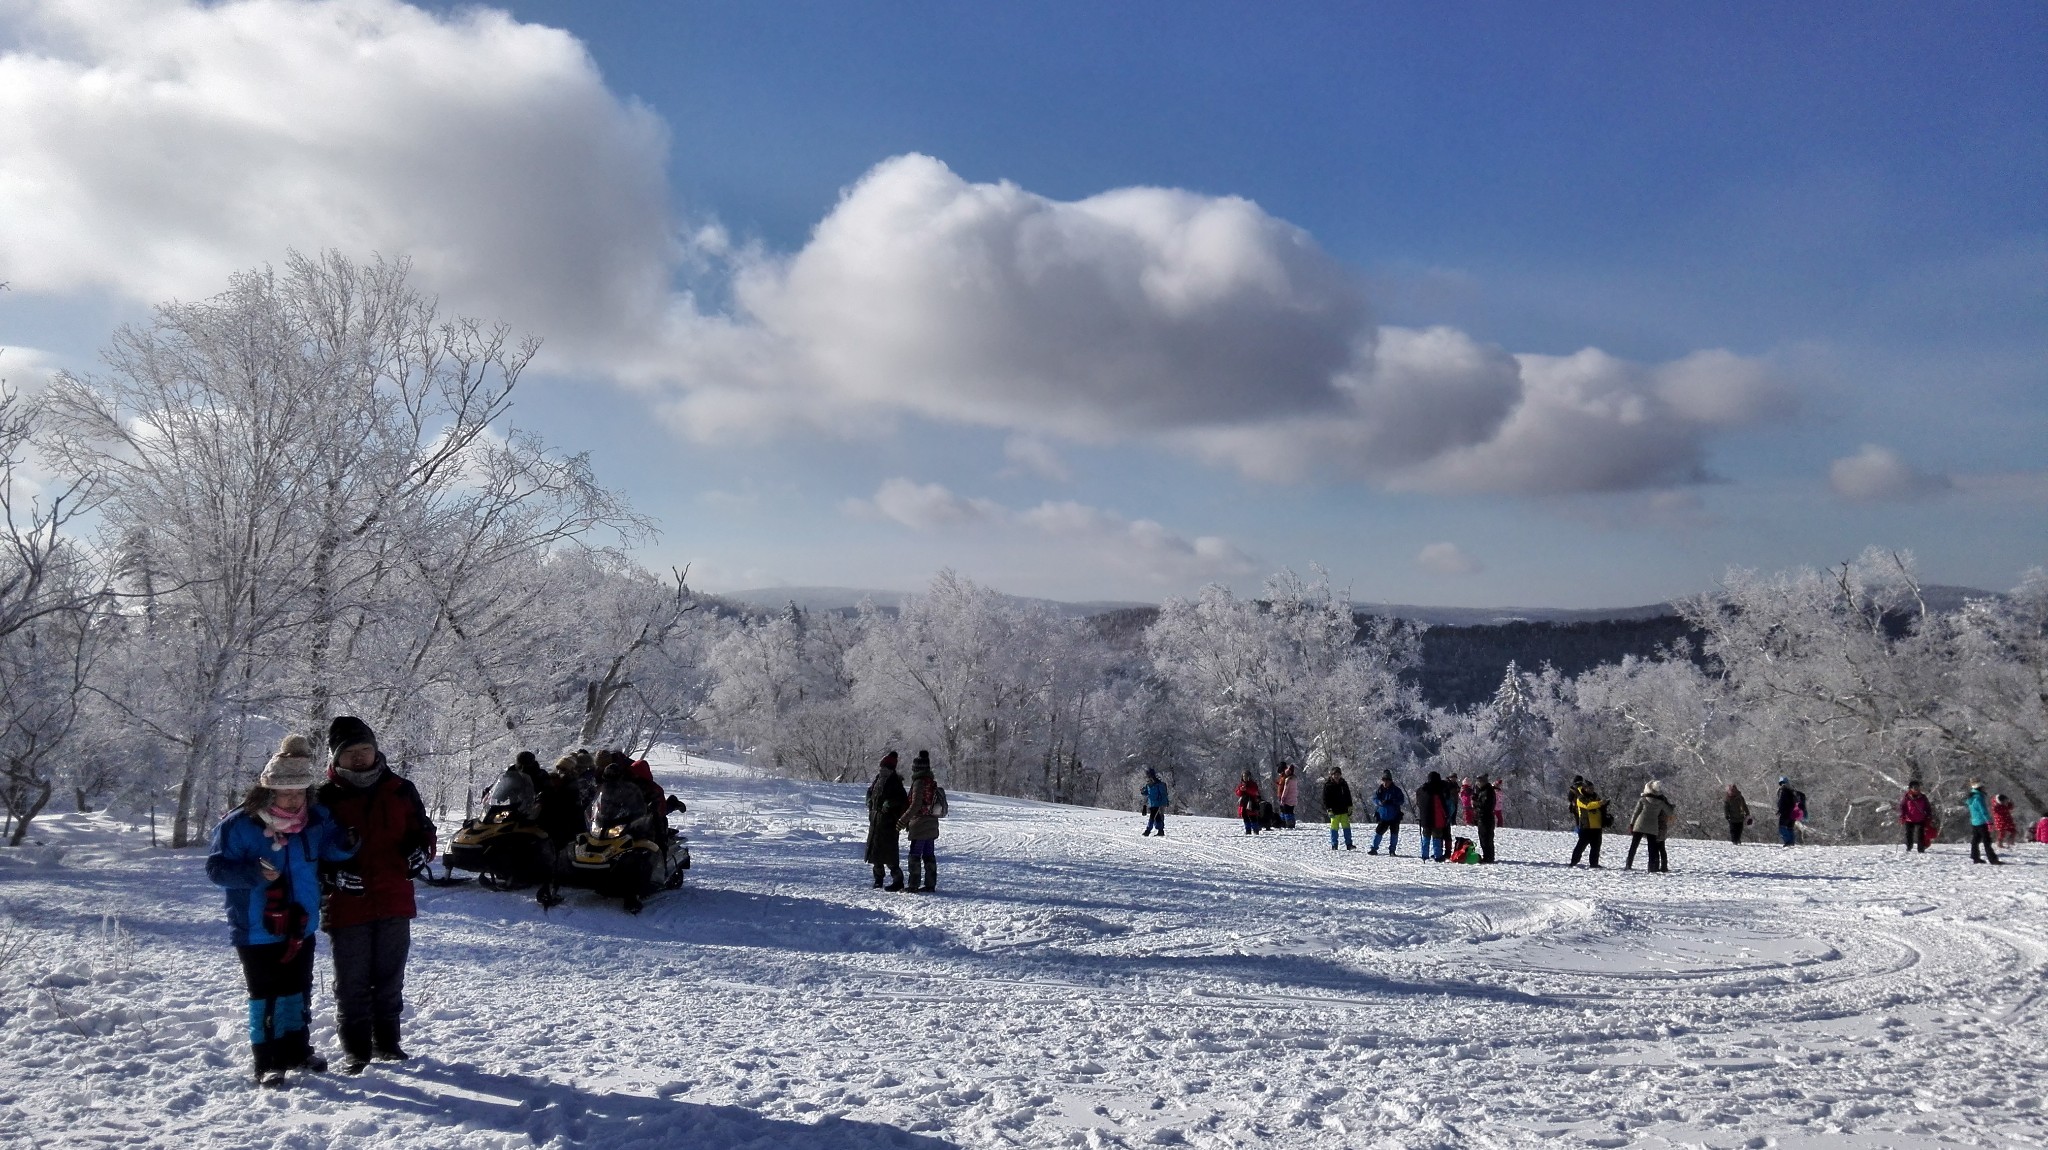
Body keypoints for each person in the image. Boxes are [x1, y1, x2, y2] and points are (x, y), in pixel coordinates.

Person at [207, 735, 357, 1088]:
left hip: (300, 923)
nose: (293, 799)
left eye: (300, 792)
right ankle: (267, 1061)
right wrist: (253, 874)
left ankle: (295, 1050)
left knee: (297, 989)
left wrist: (348, 845)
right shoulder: (238, 824)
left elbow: (331, 851)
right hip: (256, 926)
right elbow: (216, 870)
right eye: (285, 792)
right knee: (265, 993)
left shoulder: (316, 819)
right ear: (268, 791)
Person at [316, 716, 436, 1074]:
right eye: (350, 752)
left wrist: (421, 852)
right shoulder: (323, 798)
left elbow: (424, 831)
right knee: (352, 981)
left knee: (389, 977)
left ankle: (387, 1042)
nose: (359, 758)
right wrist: (333, 877)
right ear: (336, 757)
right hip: (346, 904)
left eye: (365, 749)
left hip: (394, 898)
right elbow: (310, 852)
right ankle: (356, 1048)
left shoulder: (401, 789)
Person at [899, 751, 943, 892]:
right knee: (929, 854)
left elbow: (915, 805)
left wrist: (902, 820)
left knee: (915, 854)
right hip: (932, 823)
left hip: (920, 823)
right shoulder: (932, 782)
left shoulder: (919, 782)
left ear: (917, 768)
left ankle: (913, 885)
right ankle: (930, 884)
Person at [865, 751, 908, 888]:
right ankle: (878, 879)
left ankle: (898, 880)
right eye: (881, 767)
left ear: (890, 768)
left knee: (889, 854)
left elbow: (902, 799)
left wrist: (889, 803)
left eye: (884, 767)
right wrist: (869, 801)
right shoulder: (878, 779)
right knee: (875, 853)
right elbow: (870, 792)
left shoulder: (895, 781)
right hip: (876, 820)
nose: (881, 769)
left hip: (889, 822)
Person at [1625, 780, 1674, 872]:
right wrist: (1669, 805)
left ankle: (1628, 864)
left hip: (1640, 824)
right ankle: (1652, 867)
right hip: (1653, 826)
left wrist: (1632, 824)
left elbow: (1636, 813)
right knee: (1652, 849)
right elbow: (1670, 812)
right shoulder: (1661, 802)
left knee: (1634, 846)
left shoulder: (1643, 800)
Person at [1415, 771, 1455, 861]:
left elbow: (1418, 803)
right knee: (1437, 837)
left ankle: (1424, 855)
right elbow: (1445, 805)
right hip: (1437, 818)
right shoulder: (1439, 790)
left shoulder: (1422, 790)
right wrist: (1447, 815)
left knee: (1426, 837)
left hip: (1425, 818)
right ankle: (1438, 856)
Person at [1569, 777, 1607, 868]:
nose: (1591, 790)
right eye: (1589, 788)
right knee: (1581, 846)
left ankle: (1594, 863)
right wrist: (1600, 803)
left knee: (1596, 847)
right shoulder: (1580, 798)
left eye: (1592, 788)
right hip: (1586, 826)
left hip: (1597, 826)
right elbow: (1588, 806)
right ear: (1584, 788)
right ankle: (1574, 862)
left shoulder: (1596, 797)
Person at [1966, 782, 2002, 865]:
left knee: (1975, 840)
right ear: (1980, 788)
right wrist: (1989, 822)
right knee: (1987, 841)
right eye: (1983, 787)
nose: (1984, 789)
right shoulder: (1979, 798)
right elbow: (1983, 811)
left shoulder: (1970, 798)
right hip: (1982, 821)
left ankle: (1975, 857)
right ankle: (1992, 859)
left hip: (1974, 821)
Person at [1369, 772, 1405, 855]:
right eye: (1384, 780)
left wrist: (1392, 801)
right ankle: (1374, 848)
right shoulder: (1379, 790)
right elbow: (1374, 799)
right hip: (1383, 816)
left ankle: (1392, 850)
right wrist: (1380, 802)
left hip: (1394, 816)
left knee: (1394, 834)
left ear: (1391, 781)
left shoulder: (1396, 790)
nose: (1385, 782)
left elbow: (1402, 800)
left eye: (1387, 781)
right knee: (1378, 832)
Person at [1321, 761, 1354, 851]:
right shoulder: (1328, 785)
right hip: (1334, 810)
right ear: (1331, 775)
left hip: (1343, 809)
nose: (1337, 776)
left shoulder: (1344, 784)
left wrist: (1350, 806)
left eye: (1338, 774)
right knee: (1334, 828)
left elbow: (1348, 795)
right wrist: (1328, 809)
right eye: (1335, 774)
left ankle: (1349, 844)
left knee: (1346, 827)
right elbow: (1325, 799)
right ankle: (1334, 844)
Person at [1898, 781, 1933, 853]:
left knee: (1921, 834)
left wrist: (1929, 816)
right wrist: (1902, 816)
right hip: (1909, 819)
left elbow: (1927, 807)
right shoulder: (1907, 797)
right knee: (1909, 834)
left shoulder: (1923, 797)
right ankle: (1909, 847)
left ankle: (1921, 849)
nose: (1916, 789)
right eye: (1914, 787)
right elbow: (1903, 807)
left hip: (1921, 818)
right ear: (1911, 788)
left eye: (1917, 787)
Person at [1472, 775, 1499, 863]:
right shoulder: (1483, 791)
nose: (1477, 784)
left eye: (1479, 782)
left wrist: (1476, 804)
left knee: (1486, 837)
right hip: (1483, 817)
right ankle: (1487, 856)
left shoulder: (1487, 791)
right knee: (1483, 837)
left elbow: (1485, 806)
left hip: (1486, 817)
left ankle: (1489, 857)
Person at [1140, 767, 1169, 838]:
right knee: (1157, 817)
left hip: (1158, 803)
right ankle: (1160, 831)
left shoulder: (1159, 784)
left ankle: (1148, 831)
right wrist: (1142, 791)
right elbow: (1146, 793)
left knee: (1152, 817)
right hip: (1152, 803)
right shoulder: (1148, 784)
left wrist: (1164, 802)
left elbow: (1163, 794)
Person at [1234, 771, 1264, 836]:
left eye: (1246, 776)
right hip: (1243, 803)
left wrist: (1246, 789)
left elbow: (1254, 792)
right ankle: (1248, 830)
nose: (1245, 778)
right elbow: (1237, 793)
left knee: (1252, 816)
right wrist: (1241, 790)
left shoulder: (1253, 784)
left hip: (1251, 802)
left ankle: (1255, 830)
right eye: (1244, 776)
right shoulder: (1241, 784)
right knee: (1245, 817)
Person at [1274, 762, 1299, 830]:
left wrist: (1282, 797)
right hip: (1291, 797)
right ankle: (1289, 823)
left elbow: (1285, 788)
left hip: (1285, 797)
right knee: (1289, 811)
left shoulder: (1286, 778)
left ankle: (1286, 823)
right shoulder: (1293, 779)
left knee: (1285, 810)